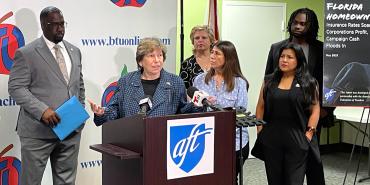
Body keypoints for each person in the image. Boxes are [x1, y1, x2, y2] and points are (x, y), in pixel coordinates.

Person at [8, 6, 85, 185]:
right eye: (54, 24)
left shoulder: (75, 51)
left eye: (62, 24)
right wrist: (42, 111)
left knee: (66, 181)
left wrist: (79, 111)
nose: (60, 28)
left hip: (70, 130)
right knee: (31, 182)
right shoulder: (26, 53)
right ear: (43, 25)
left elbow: (78, 85)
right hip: (38, 132)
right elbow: (16, 87)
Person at [264, 8, 333, 185]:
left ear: (312, 26)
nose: (298, 26)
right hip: (281, 118)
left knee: (313, 164)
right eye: (295, 22)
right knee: (281, 167)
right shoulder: (277, 48)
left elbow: (331, 82)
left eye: (303, 23)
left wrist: (325, 110)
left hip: (312, 115)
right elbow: (268, 82)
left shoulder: (322, 49)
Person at [90, 37, 198, 124]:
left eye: (160, 55)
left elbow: (183, 113)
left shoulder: (175, 82)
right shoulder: (126, 81)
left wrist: (197, 105)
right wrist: (102, 113)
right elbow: (115, 110)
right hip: (131, 140)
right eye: (151, 56)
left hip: (163, 140)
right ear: (140, 61)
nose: (157, 60)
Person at [256, 43, 320, 185]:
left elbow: (315, 110)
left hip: (297, 139)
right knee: (274, 180)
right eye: (282, 56)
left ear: (298, 60)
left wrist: (309, 134)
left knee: (294, 180)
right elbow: (260, 107)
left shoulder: (309, 82)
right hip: (271, 139)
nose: (284, 60)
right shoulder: (269, 80)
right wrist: (260, 131)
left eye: (289, 57)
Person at [193, 40, 249, 184]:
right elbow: (193, 109)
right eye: (211, 52)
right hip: (206, 140)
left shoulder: (239, 83)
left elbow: (240, 112)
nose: (212, 56)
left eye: (217, 53)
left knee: (229, 179)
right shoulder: (199, 80)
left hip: (234, 141)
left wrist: (216, 106)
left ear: (228, 58)